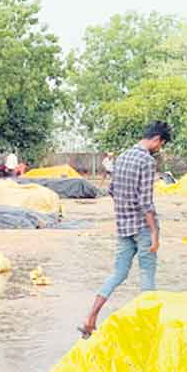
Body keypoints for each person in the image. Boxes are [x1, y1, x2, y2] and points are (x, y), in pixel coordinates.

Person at [79, 121, 171, 336]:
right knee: (147, 273)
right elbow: (146, 201)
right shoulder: (146, 161)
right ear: (157, 139)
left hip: (123, 226)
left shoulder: (121, 158)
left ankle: (90, 318)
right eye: (161, 145)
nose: (160, 149)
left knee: (118, 274)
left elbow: (111, 190)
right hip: (143, 227)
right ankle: (148, 327)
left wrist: (124, 209)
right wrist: (155, 233)